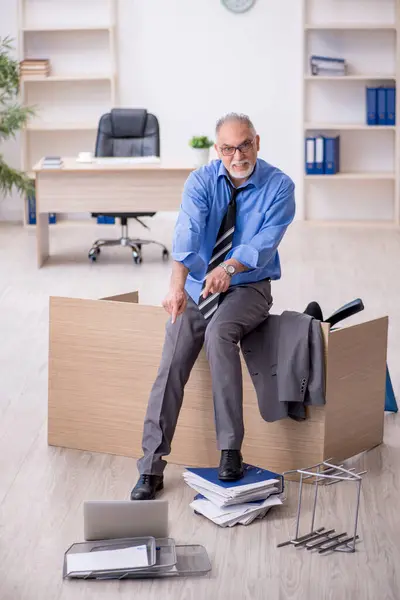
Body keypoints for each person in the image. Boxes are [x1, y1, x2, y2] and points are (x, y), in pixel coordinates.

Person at [131, 113, 295, 500]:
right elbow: (186, 233)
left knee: (220, 334)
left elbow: (265, 243)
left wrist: (229, 267)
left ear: (257, 141)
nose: (237, 155)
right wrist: (176, 288)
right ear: (217, 148)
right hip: (197, 287)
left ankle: (230, 450)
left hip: (248, 286)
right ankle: (151, 467)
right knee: (171, 360)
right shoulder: (201, 181)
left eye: (244, 146)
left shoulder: (280, 186)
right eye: (227, 148)